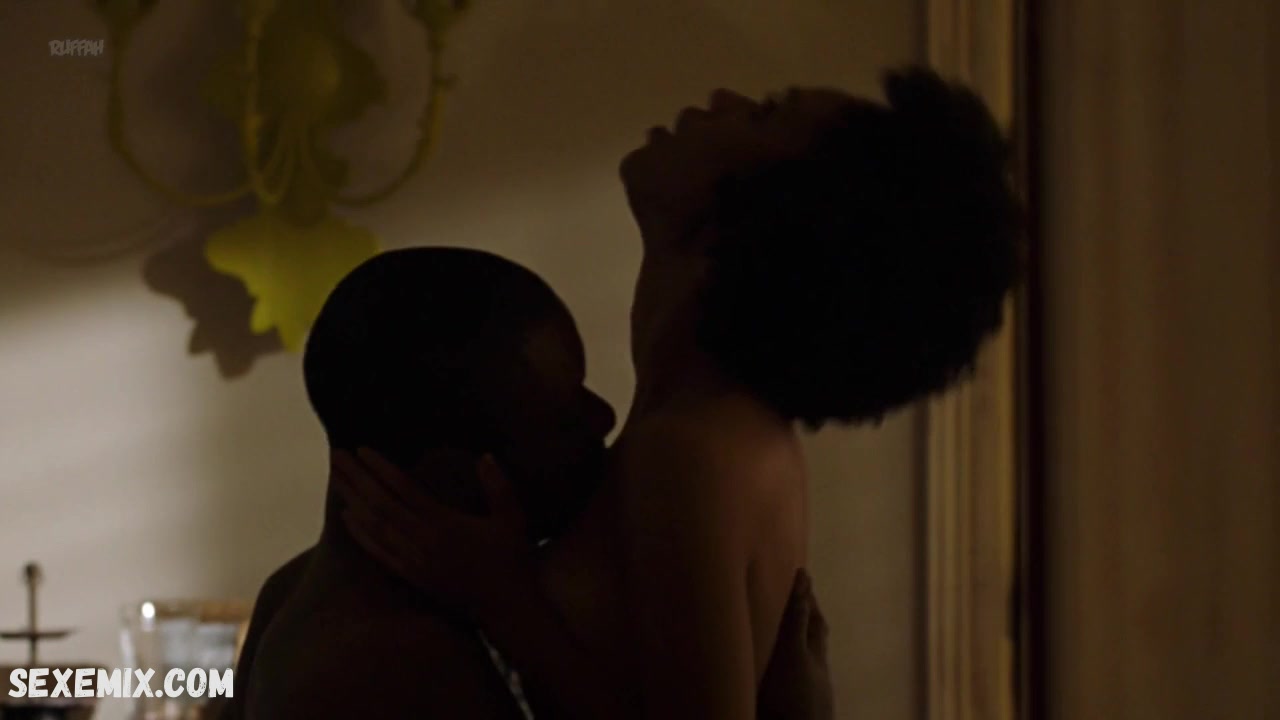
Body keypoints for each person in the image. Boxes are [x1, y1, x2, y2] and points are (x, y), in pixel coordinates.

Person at [335, 65, 1022, 719]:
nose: (723, 98)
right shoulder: (716, 435)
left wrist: (500, 597)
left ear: (769, 215)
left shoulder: (691, 450)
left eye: (763, 113)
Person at [233, 247, 833, 719]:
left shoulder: (287, 592)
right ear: (455, 477)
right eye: (563, 415)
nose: (603, 417)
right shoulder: (398, 667)